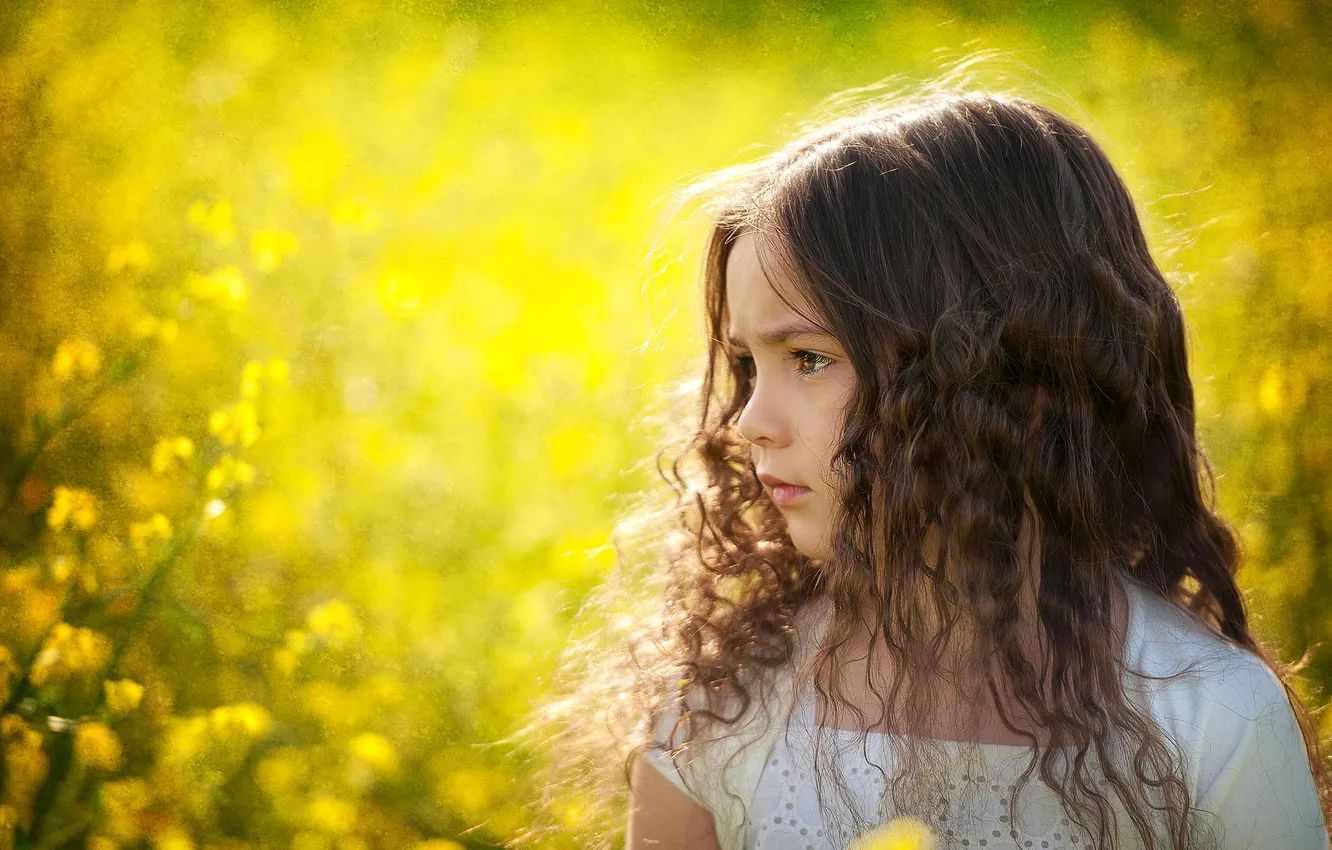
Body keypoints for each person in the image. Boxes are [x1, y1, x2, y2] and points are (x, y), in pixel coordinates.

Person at [504, 80, 1330, 850]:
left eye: (811, 358)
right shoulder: (724, 707)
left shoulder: (1206, 716)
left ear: (999, 376)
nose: (749, 422)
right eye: (748, 366)